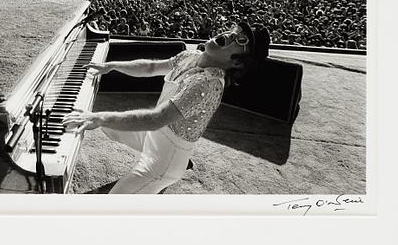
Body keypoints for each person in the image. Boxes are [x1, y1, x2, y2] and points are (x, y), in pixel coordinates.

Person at [62, 22, 270, 194]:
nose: (231, 35)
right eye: (234, 30)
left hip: (164, 160)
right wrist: (112, 65)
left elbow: (156, 119)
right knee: (109, 126)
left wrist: (99, 117)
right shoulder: (191, 56)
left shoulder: (208, 83)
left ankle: (174, 167)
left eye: (240, 40)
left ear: (238, 64)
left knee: (112, 205)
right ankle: (179, 161)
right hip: (154, 137)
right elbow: (151, 67)